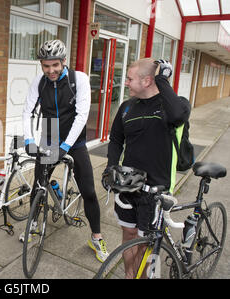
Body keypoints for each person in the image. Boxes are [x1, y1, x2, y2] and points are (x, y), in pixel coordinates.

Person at [22, 40, 109, 262]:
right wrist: (29, 139)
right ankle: (32, 225)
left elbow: (81, 116)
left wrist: (66, 147)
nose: (50, 71)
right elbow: (27, 111)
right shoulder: (40, 82)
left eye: (55, 65)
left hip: (75, 142)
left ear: (63, 62)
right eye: (46, 66)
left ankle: (96, 237)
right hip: (49, 136)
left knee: (88, 190)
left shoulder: (78, 79)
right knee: (38, 185)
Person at [103, 58, 190, 277]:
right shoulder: (127, 107)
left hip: (156, 189)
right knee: (129, 234)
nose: (126, 83)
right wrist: (111, 167)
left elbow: (179, 116)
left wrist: (163, 79)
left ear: (147, 80)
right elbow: (115, 140)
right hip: (129, 182)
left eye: (130, 79)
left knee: (147, 243)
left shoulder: (173, 105)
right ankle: (129, 276)